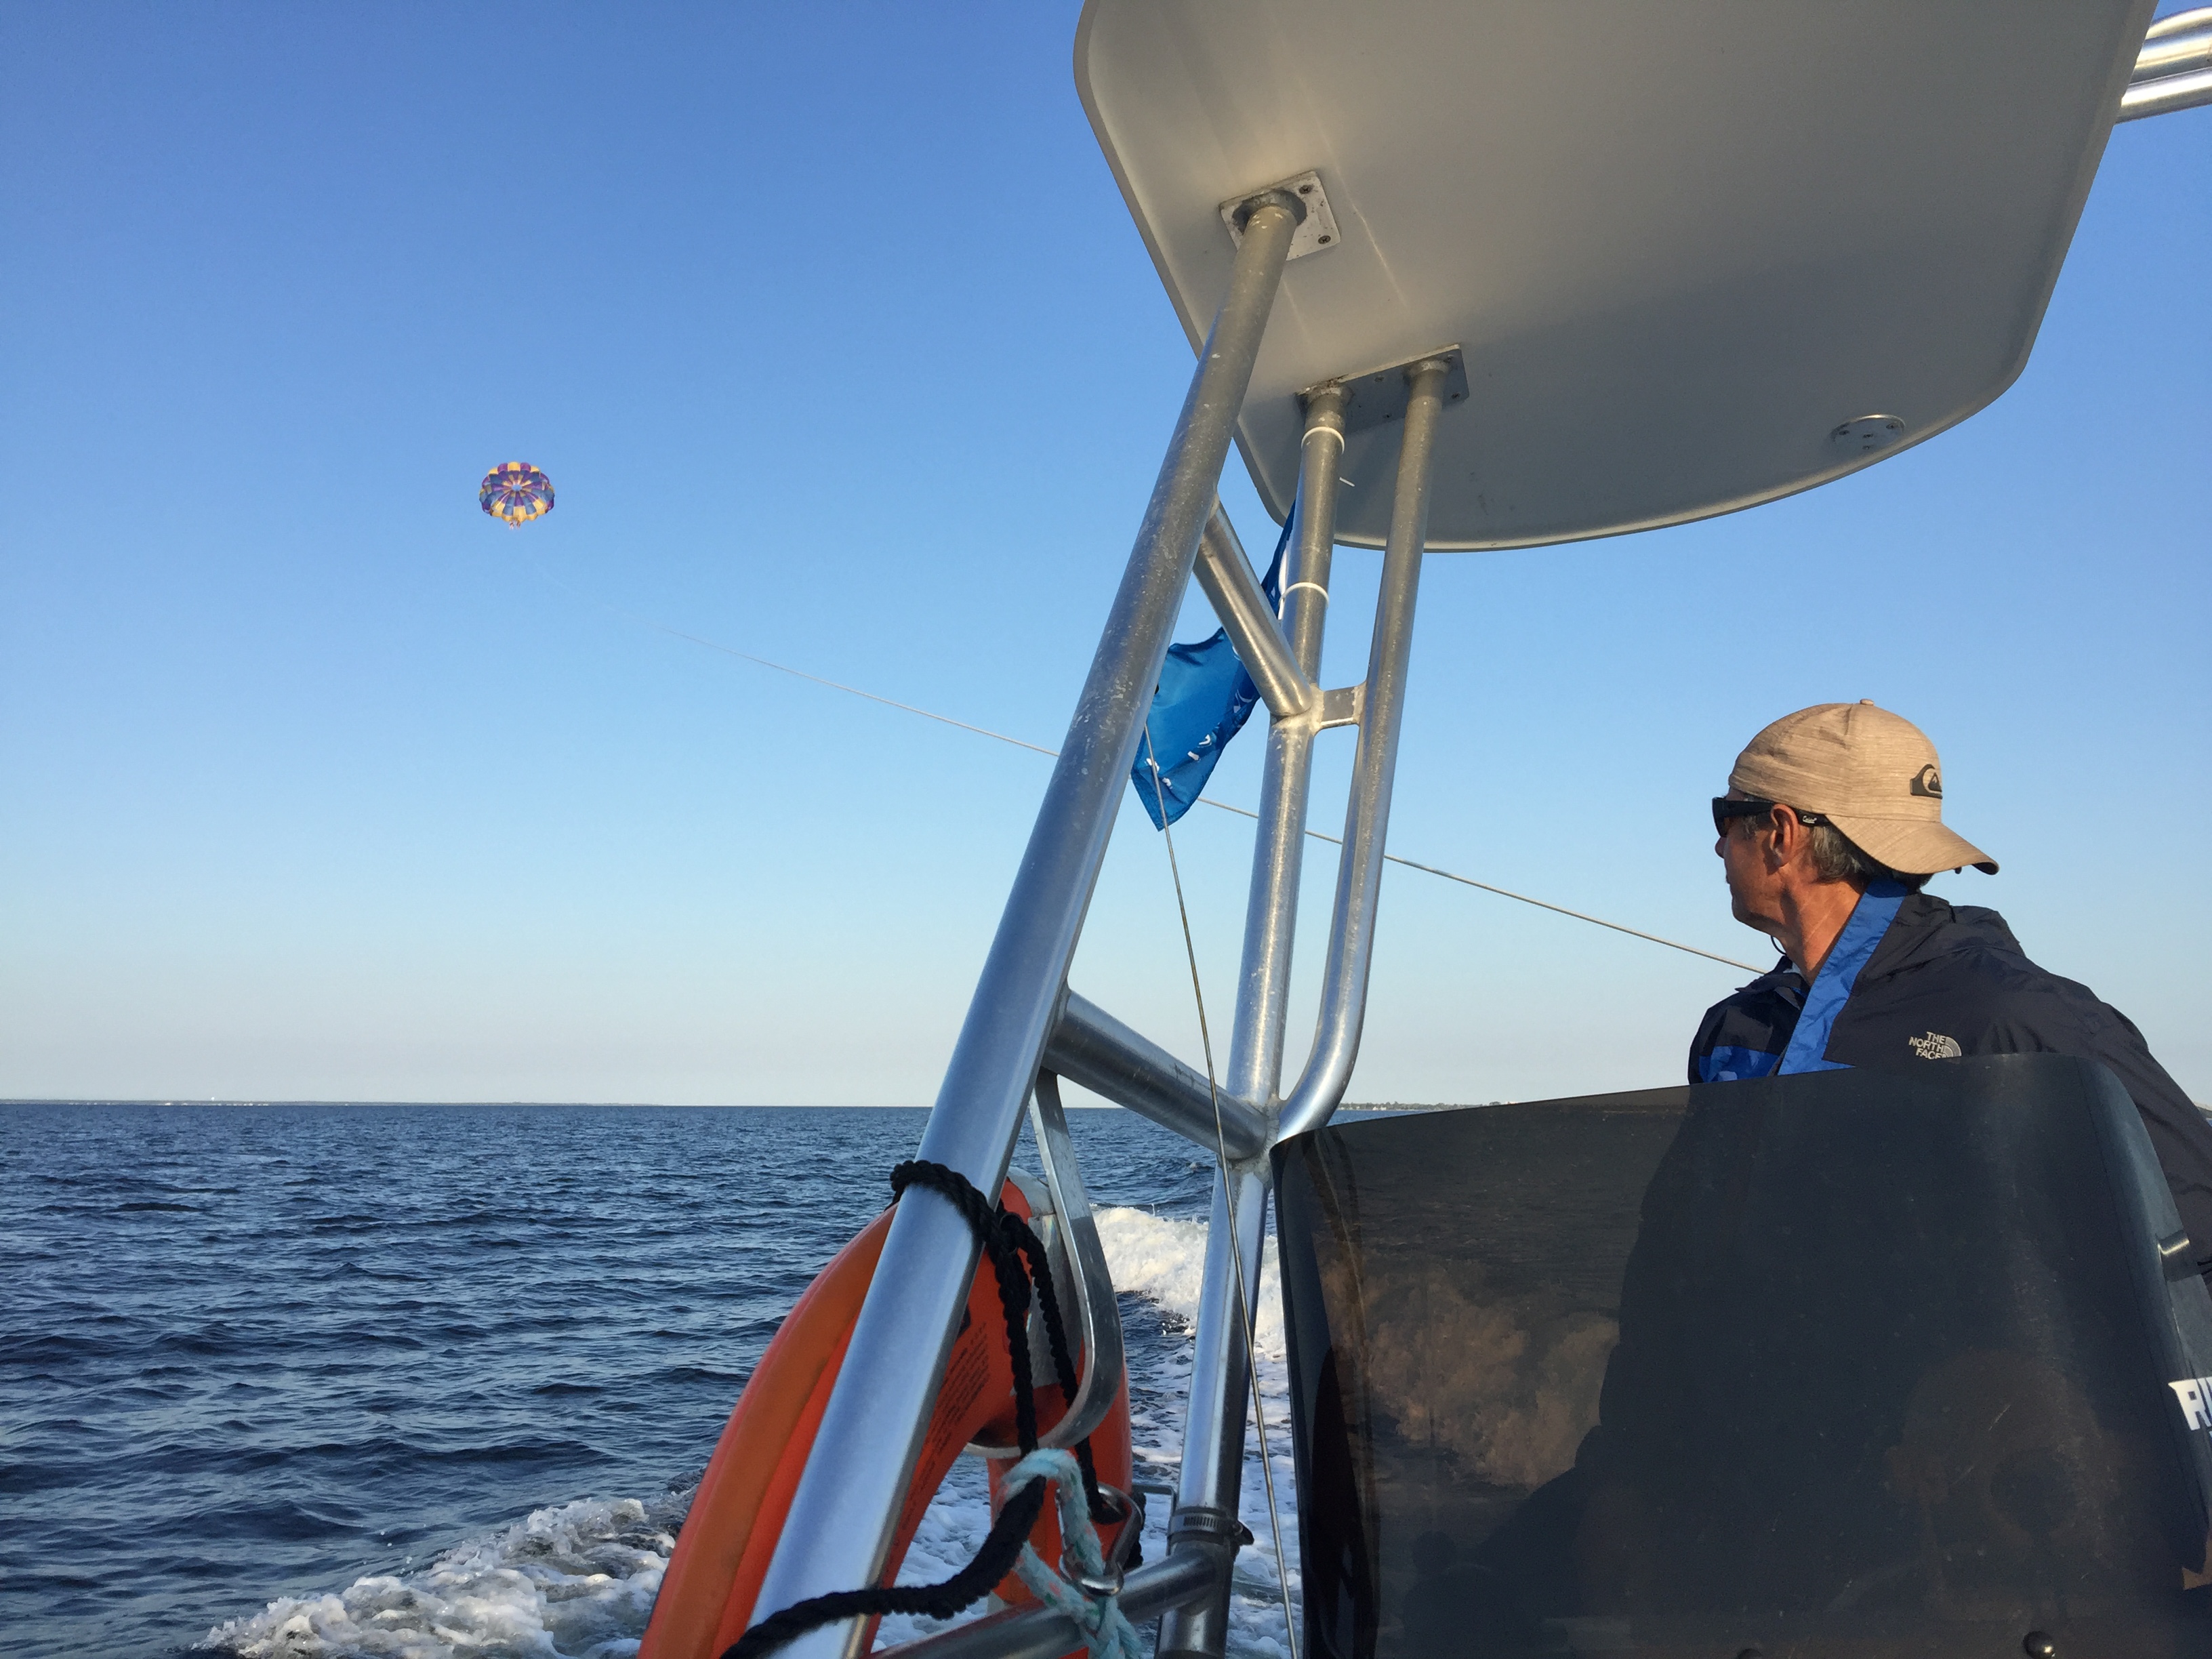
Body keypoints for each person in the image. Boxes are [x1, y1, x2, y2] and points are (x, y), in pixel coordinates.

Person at [1693, 699, 2212, 1273]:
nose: (1718, 845)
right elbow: (1679, 1244)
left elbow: (2198, 1238)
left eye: (1727, 817)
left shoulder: (2019, 1019)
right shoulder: (1734, 1028)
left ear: (1781, 835)